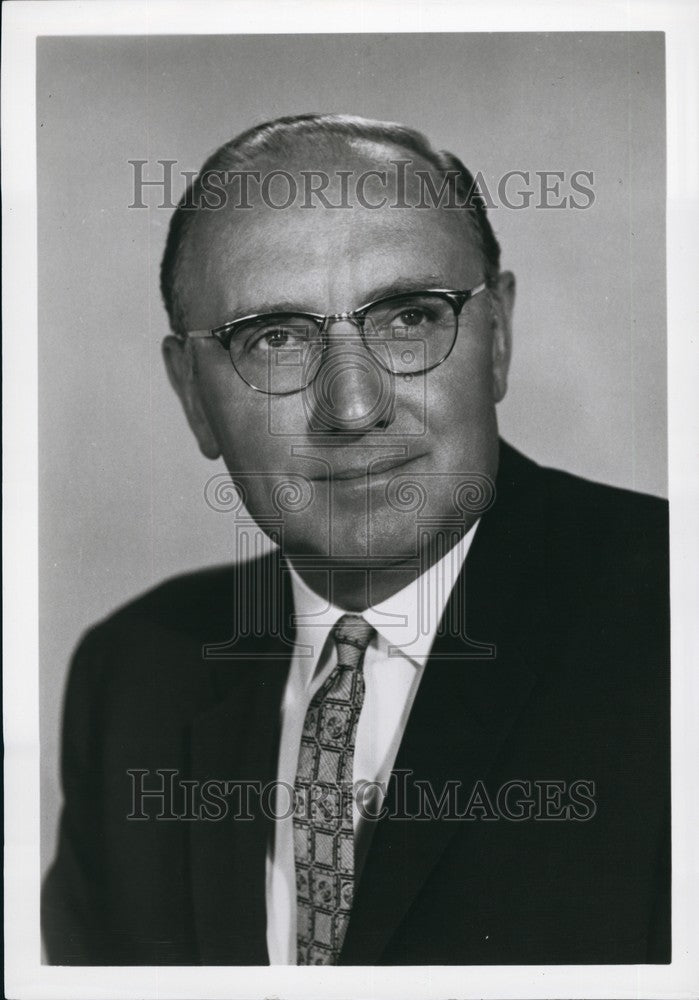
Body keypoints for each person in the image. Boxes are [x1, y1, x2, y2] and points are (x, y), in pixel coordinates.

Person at [42, 113, 670, 966]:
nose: (350, 406)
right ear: (191, 392)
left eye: (408, 318)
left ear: (497, 340)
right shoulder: (133, 676)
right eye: (273, 338)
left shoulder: (671, 615)